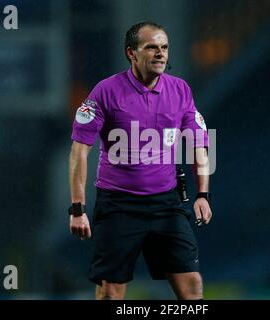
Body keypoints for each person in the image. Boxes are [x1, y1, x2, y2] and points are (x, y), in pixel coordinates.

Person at [68, 21, 213, 300]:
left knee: (192, 285)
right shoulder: (105, 92)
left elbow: (199, 143)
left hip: (166, 204)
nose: (160, 53)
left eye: (164, 47)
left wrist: (203, 194)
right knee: (111, 291)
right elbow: (79, 151)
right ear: (131, 53)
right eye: (151, 47)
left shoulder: (181, 90)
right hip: (118, 205)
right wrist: (77, 208)